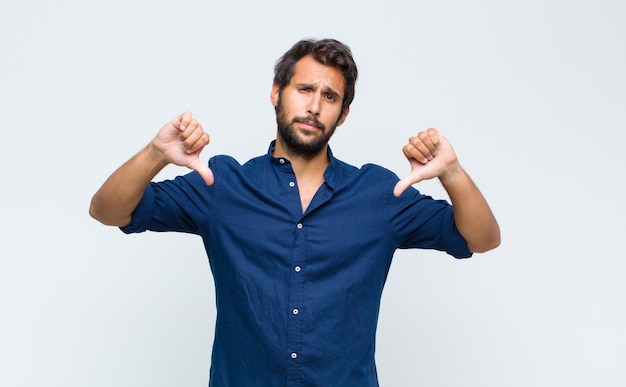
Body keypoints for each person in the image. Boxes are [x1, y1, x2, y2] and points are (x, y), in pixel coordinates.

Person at [90, 38, 500, 386]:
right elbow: (108, 211)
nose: (315, 106)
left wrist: (451, 172)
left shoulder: (379, 193)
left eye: (330, 97)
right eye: (304, 89)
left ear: (343, 113)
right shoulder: (222, 185)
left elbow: (480, 239)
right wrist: (155, 155)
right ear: (276, 93)